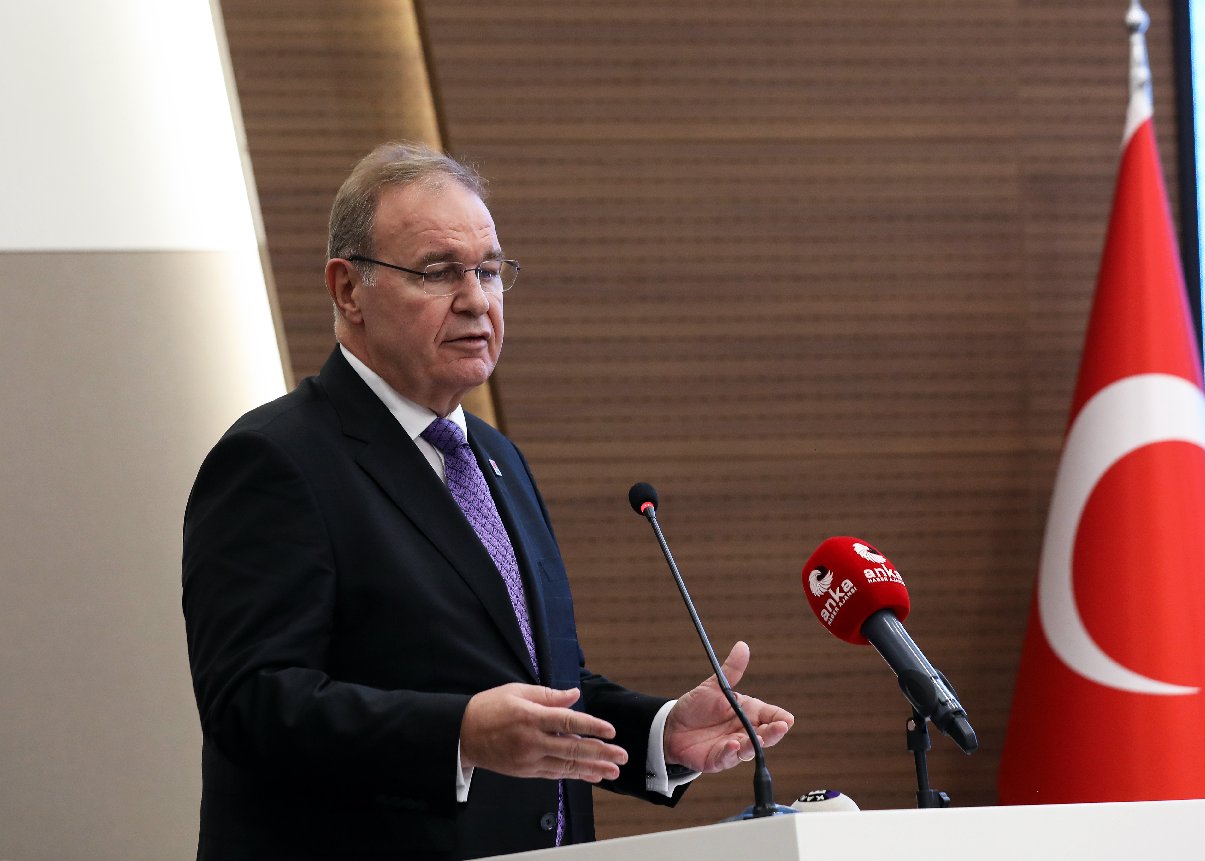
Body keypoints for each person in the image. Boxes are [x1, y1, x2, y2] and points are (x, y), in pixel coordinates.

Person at [182, 141, 794, 860]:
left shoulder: (495, 458)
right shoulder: (276, 459)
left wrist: (660, 732)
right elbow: (252, 704)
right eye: (439, 272)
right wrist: (460, 735)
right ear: (348, 290)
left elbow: (539, 686)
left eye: (490, 271)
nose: (476, 299)